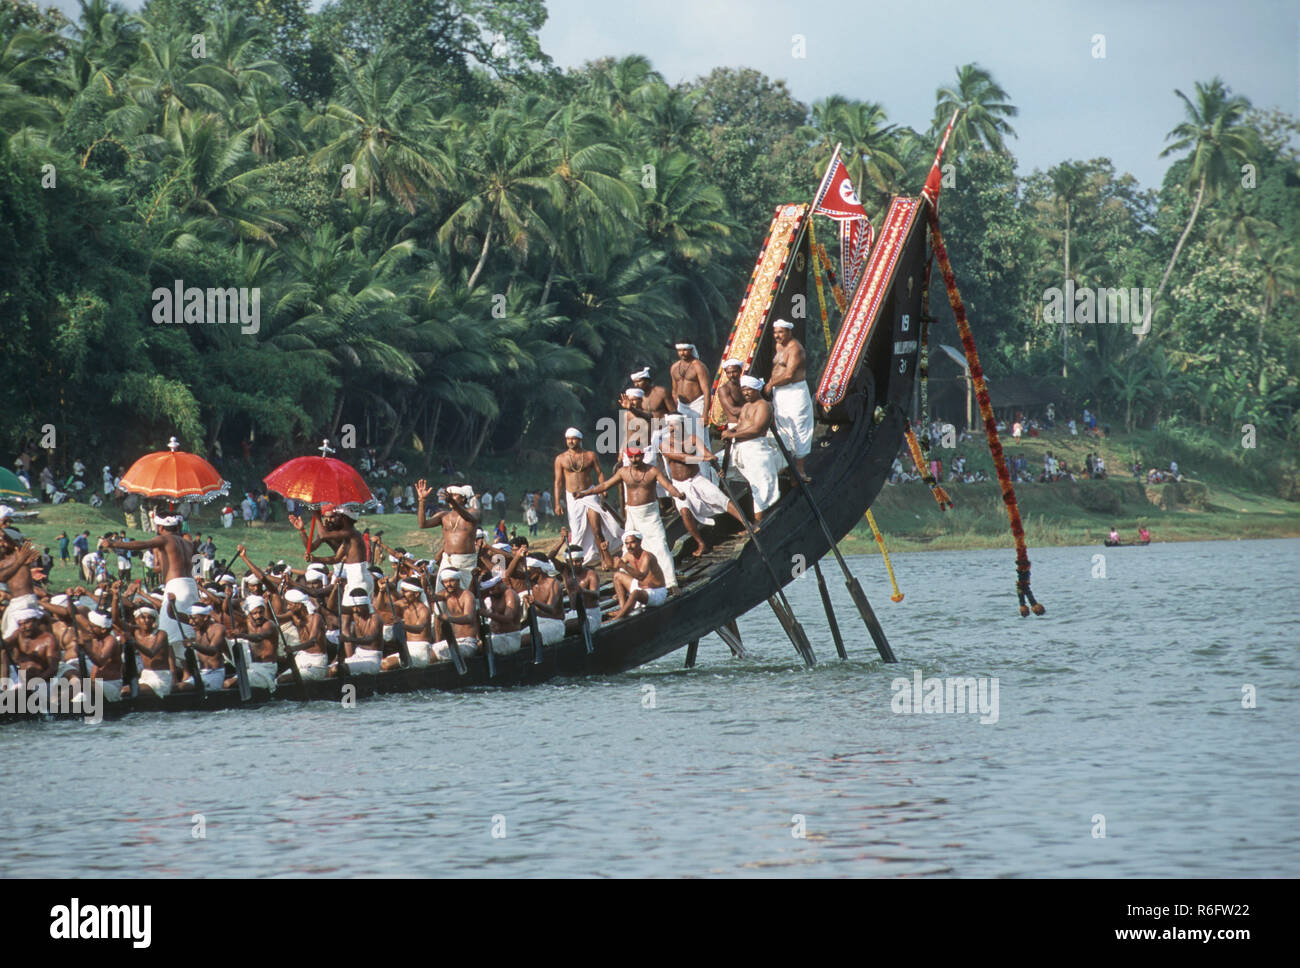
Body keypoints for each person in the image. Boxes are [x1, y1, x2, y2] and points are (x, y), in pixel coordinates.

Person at [576, 447, 684, 592]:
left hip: (650, 514)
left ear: (643, 456)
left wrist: (677, 494)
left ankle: (671, 583)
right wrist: (585, 493)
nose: (634, 460)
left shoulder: (653, 471)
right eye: (631, 458)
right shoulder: (624, 472)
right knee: (627, 548)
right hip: (632, 514)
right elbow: (605, 485)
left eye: (637, 457)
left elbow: (668, 485)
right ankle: (629, 586)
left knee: (660, 546)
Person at [106, 515, 198, 663]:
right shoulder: (188, 542)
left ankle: (180, 671)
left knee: (168, 636)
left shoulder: (165, 539)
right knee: (191, 628)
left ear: (160, 527)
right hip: (192, 586)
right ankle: (194, 666)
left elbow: (142, 544)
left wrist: (115, 544)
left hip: (176, 587)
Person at [658, 415, 745, 556]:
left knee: (721, 498)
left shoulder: (692, 439)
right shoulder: (665, 445)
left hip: (696, 478)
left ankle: (747, 524)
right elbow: (681, 457)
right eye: (671, 426)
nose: (673, 429)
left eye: (675, 425)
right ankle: (701, 543)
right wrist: (703, 458)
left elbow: (708, 454)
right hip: (680, 485)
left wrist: (717, 466)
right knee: (685, 511)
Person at [554, 428, 623, 570]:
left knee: (596, 528)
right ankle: (576, 561)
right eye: (568, 439)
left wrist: (602, 490)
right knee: (577, 531)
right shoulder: (560, 459)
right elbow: (558, 482)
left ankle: (605, 558)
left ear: (580, 440)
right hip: (572, 497)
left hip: (590, 493)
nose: (570, 441)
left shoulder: (590, 455)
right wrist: (557, 503)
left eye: (573, 439)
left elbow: (599, 473)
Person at [720, 375, 783, 523]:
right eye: (744, 390)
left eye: (749, 390)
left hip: (755, 447)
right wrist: (731, 431)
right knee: (714, 470)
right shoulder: (746, 406)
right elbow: (742, 425)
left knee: (760, 486)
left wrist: (733, 434)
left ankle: (758, 523)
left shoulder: (764, 405)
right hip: (738, 448)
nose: (746, 393)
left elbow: (757, 429)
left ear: (756, 389)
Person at [295, 505, 371, 603]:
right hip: (340, 567)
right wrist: (302, 531)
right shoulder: (327, 531)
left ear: (340, 518)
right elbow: (314, 549)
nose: (327, 520)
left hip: (354, 571)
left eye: (332, 517)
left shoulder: (348, 532)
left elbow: (323, 536)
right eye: (325, 517)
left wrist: (316, 513)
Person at [768, 319, 814, 481]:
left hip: (795, 392)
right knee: (783, 426)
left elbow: (788, 375)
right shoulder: (779, 346)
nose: (777, 335)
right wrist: (772, 384)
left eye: (781, 332)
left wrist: (770, 384)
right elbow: (778, 368)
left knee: (798, 427)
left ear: (789, 332)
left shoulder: (796, 349)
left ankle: (800, 470)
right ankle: (787, 465)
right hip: (780, 393)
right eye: (775, 332)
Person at [415, 482, 480, 588]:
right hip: (447, 560)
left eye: (454, 495)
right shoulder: (443, 515)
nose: (449, 497)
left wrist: (453, 502)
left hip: (466, 562)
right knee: (441, 594)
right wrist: (422, 501)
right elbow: (422, 524)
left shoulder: (473, 512)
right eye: (449, 495)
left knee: (468, 594)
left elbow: (469, 517)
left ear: (463, 498)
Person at [605, 531, 667, 621]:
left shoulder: (647, 556)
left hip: (656, 592)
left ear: (640, 542)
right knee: (617, 576)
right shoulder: (628, 555)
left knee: (635, 593)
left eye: (632, 542)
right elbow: (613, 567)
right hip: (640, 587)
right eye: (627, 544)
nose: (629, 546)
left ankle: (617, 618)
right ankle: (623, 609)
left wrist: (624, 566)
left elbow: (641, 577)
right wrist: (605, 551)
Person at [670, 342, 714, 466]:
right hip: (682, 407)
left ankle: (706, 473)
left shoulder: (698, 366)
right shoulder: (674, 367)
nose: (682, 353)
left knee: (700, 440)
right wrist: (676, 411)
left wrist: (705, 413)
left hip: (697, 405)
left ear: (691, 349)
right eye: (680, 350)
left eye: (685, 350)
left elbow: (706, 391)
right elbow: (674, 391)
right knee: (683, 439)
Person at [0, 530, 42, 642]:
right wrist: (20, 562)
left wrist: (2, 529)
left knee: (10, 638)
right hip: (16, 602)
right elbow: (2, 577)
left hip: (24, 601)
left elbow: (7, 538)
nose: (2, 544)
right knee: (8, 634)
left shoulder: (19, 552)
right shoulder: (7, 560)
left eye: (3, 542)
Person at [430, 570, 480, 663]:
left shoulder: (467, 595)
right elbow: (431, 597)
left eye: (452, 581)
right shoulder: (445, 594)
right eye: (445, 582)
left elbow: (468, 618)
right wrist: (424, 581)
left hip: (468, 642)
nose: (448, 584)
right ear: (442, 583)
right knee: (426, 653)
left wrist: (449, 619)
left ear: (458, 581)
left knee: (435, 655)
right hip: (453, 641)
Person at [385, 580, 432, 670]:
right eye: (401, 590)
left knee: (386, 664)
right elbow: (381, 606)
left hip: (420, 650)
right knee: (384, 661)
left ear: (417, 594)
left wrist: (401, 625)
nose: (402, 594)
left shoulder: (424, 610)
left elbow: (419, 629)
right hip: (407, 647)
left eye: (405, 591)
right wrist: (382, 590)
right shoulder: (403, 605)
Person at [479, 574, 523, 656]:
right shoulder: (493, 593)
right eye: (489, 589)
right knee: (477, 646)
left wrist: (489, 614)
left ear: (499, 582)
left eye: (493, 588)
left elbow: (508, 618)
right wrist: (476, 578)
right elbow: (474, 593)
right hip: (496, 637)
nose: (491, 591)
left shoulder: (510, 594)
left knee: (483, 646)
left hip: (510, 638)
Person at [715, 359, 746, 426]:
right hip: (735, 425)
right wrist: (755, 408)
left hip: (750, 423)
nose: (731, 375)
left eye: (734, 372)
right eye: (728, 373)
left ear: (740, 371)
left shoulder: (745, 386)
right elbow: (733, 410)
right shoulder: (724, 389)